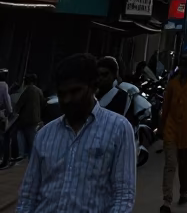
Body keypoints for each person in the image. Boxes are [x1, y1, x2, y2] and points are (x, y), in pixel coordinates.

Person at [16, 52, 135, 213]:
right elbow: (28, 195)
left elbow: (123, 196)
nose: (67, 100)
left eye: (75, 91)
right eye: (62, 93)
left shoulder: (119, 129)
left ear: (93, 86)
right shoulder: (45, 134)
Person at [159, 51, 187, 213]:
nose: (184, 68)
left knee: (185, 166)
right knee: (170, 164)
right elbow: (166, 105)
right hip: (171, 128)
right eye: (182, 65)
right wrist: (162, 125)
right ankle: (167, 201)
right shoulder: (173, 82)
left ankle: (184, 192)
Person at [14, 75, 46, 159]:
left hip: (24, 121)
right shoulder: (39, 91)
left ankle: (22, 158)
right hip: (35, 120)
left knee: (22, 138)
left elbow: (19, 105)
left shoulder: (27, 90)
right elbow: (43, 104)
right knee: (32, 142)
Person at [0, 69, 13, 169]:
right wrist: (10, 112)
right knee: (5, 137)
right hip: (1, 114)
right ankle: (5, 160)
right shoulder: (3, 85)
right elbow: (6, 100)